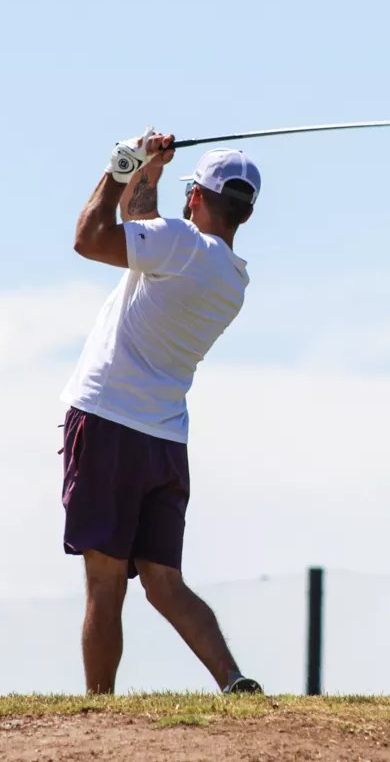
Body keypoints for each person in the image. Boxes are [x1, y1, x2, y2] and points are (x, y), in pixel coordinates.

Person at [59, 126, 263, 695]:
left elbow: (89, 239)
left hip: (107, 421)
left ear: (194, 197)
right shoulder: (231, 278)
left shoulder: (178, 244)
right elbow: (145, 229)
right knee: (163, 581)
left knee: (105, 582)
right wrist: (149, 172)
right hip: (165, 441)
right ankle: (232, 679)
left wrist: (120, 166)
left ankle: (100, 711)